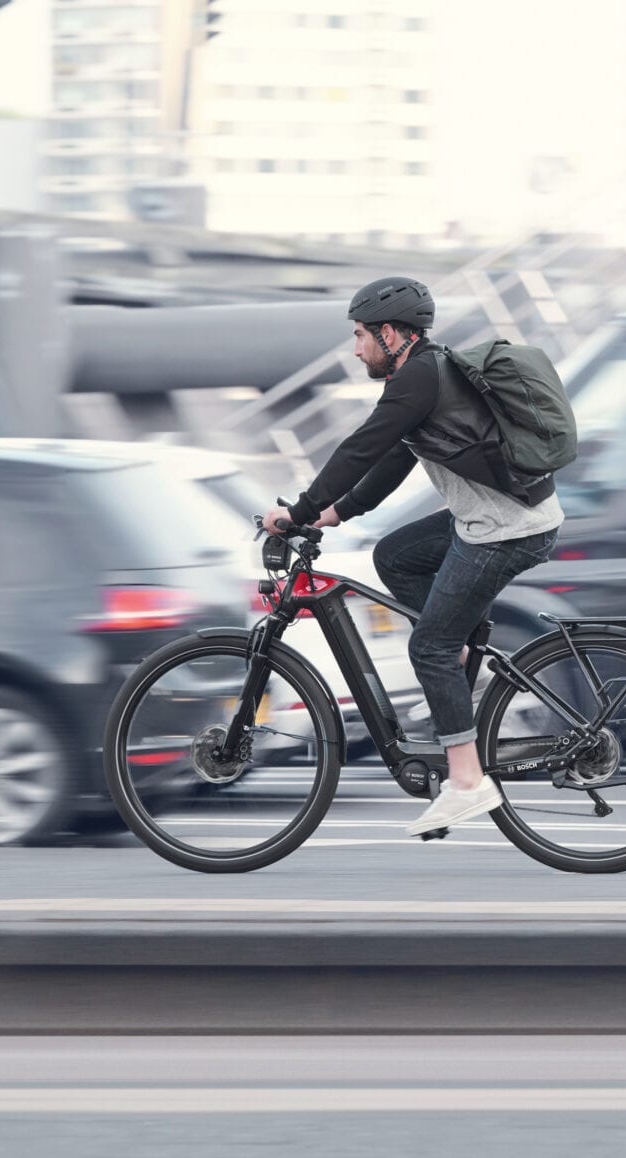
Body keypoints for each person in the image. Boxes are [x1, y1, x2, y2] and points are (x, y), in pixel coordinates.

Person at [261, 277, 565, 836]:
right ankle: (456, 666)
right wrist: (335, 514)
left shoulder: (420, 376)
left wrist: (300, 510)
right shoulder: (425, 374)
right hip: (497, 519)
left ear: (391, 333)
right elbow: (392, 461)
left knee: (428, 645)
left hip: (505, 528)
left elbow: (360, 447)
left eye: (359, 336)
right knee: (396, 556)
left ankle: (467, 781)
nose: (356, 349)